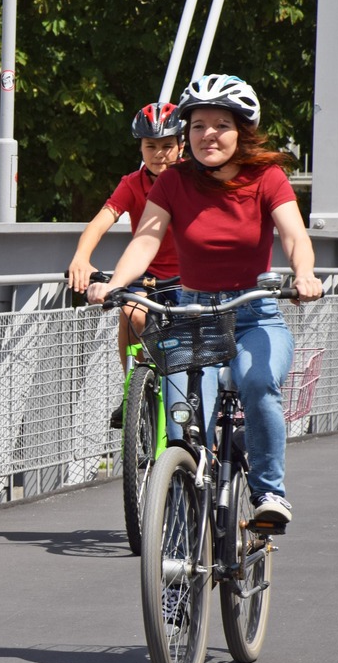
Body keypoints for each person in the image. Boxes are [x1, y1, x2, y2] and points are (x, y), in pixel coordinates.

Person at [87, 74, 323, 525]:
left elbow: (295, 235)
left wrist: (305, 274)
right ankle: (183, 525)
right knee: (182, 423)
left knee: (257, 385)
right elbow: (146, 239)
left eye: (220, 125)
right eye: (197, 126)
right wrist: (116, 283)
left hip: (254, 313)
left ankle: (268, 494)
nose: (207, 134)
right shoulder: (174, 181)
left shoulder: (266, 177)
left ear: (241, 131)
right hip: (193, 313)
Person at [67, 101, 184, 428]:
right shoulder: (133, 183)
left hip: (188, 278)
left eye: (166, 146)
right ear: (140, 147)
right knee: (130, 312)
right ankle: (134, 387)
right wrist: (81, 257)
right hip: (146, 277)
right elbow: (103, 219)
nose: (159, 153)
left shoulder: (192, 180)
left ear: (181, 146)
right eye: (150, 146)